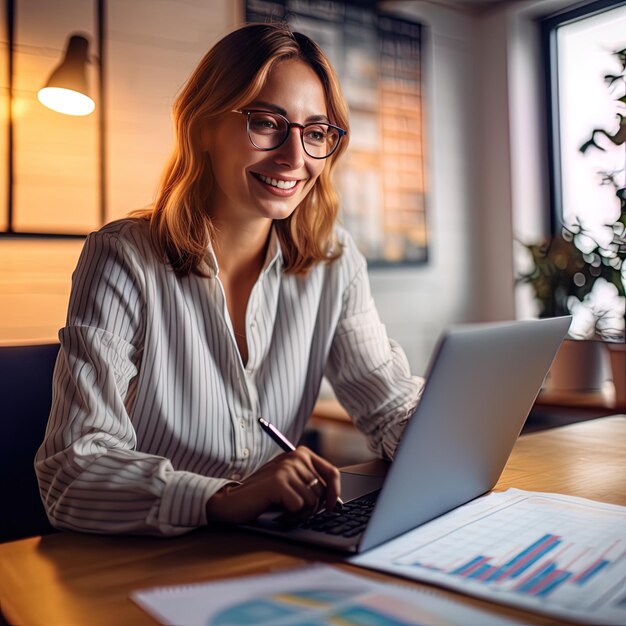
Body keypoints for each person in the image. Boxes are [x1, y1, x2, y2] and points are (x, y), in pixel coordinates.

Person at [35, 23, 422, 537]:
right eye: (266, 122)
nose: (294, 157)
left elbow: (390, 403)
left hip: (269, 549)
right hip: (145, 560)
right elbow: (72, 471)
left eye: (316, 132)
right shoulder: (122, 257)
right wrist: (222, 498)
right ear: (202, 127)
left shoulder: (334, 260)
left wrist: (444, 436)